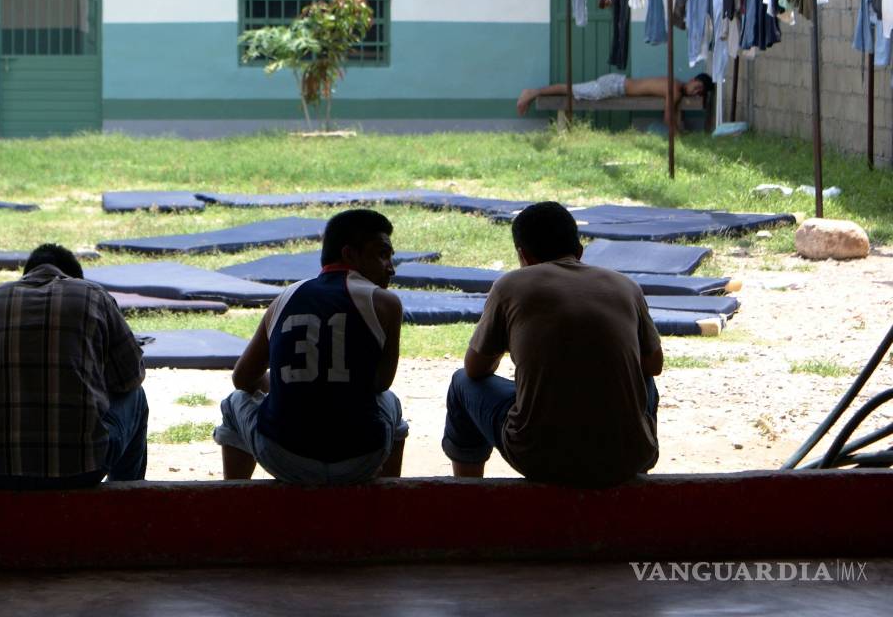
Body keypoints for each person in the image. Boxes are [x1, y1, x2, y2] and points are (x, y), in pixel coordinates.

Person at [442, 202, 662, 488]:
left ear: (523, 255)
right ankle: (636, 481)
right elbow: (653, 364)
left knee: (461, 384)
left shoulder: (510, 285)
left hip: (539, 456)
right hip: (629, 456)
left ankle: (468, 497)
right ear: (580, 251)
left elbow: (474, 369)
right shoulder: (625, 285)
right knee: (642, 378)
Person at [214, 209, 409, 485]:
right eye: (382, 254)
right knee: (391, 403)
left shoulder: (285, 297)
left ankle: (233, 508)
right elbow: (380, 383)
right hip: (361, 460)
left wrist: (285, 382)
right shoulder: (386, 303)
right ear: (350, 254)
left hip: (284, 458)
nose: (390, 267)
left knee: (234, 402)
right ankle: (388, 511)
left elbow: (242, 378)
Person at [0, 243, 148, 489]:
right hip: (84, 469)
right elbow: (130, 377)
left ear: (26, 274)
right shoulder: (94, 296)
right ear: (73, 277)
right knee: (136, 396)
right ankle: (128, 496)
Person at [516, 72, 712, 126]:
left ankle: (534, 92)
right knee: (573, 90)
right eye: (698, 87)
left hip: (617, 83)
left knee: (574, 90)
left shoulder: (676, 83)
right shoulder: (676, 89)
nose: (696, 92)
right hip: (614, 87)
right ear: (693, 79)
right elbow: (668, 118)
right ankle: (533, 93)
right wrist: (679, 136)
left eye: (699, 93)